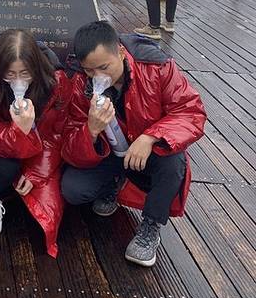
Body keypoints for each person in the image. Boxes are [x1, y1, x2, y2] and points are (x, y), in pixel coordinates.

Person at [61, 20, 206, 267]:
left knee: (174, 162)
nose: (98, 77)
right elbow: (69, 145)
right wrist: (91, 131)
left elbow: (191, 112)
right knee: (73, 190)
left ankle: (150, 226)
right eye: (90, 71)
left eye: (104, 67)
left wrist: (151, 136)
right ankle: (113, 184)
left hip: (148, 152)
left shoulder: (156, 66)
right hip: (110, 153)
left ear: (120, 51)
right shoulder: (80, 82)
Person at [0, 29, 73, 251]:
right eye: (10, 74)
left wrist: (36, 173)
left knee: (48, 213)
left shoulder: (56, 81)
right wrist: (19, 130)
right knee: (6, 161)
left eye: (25, 73)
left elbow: (55, 134)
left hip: (39, 153)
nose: (18, 82)